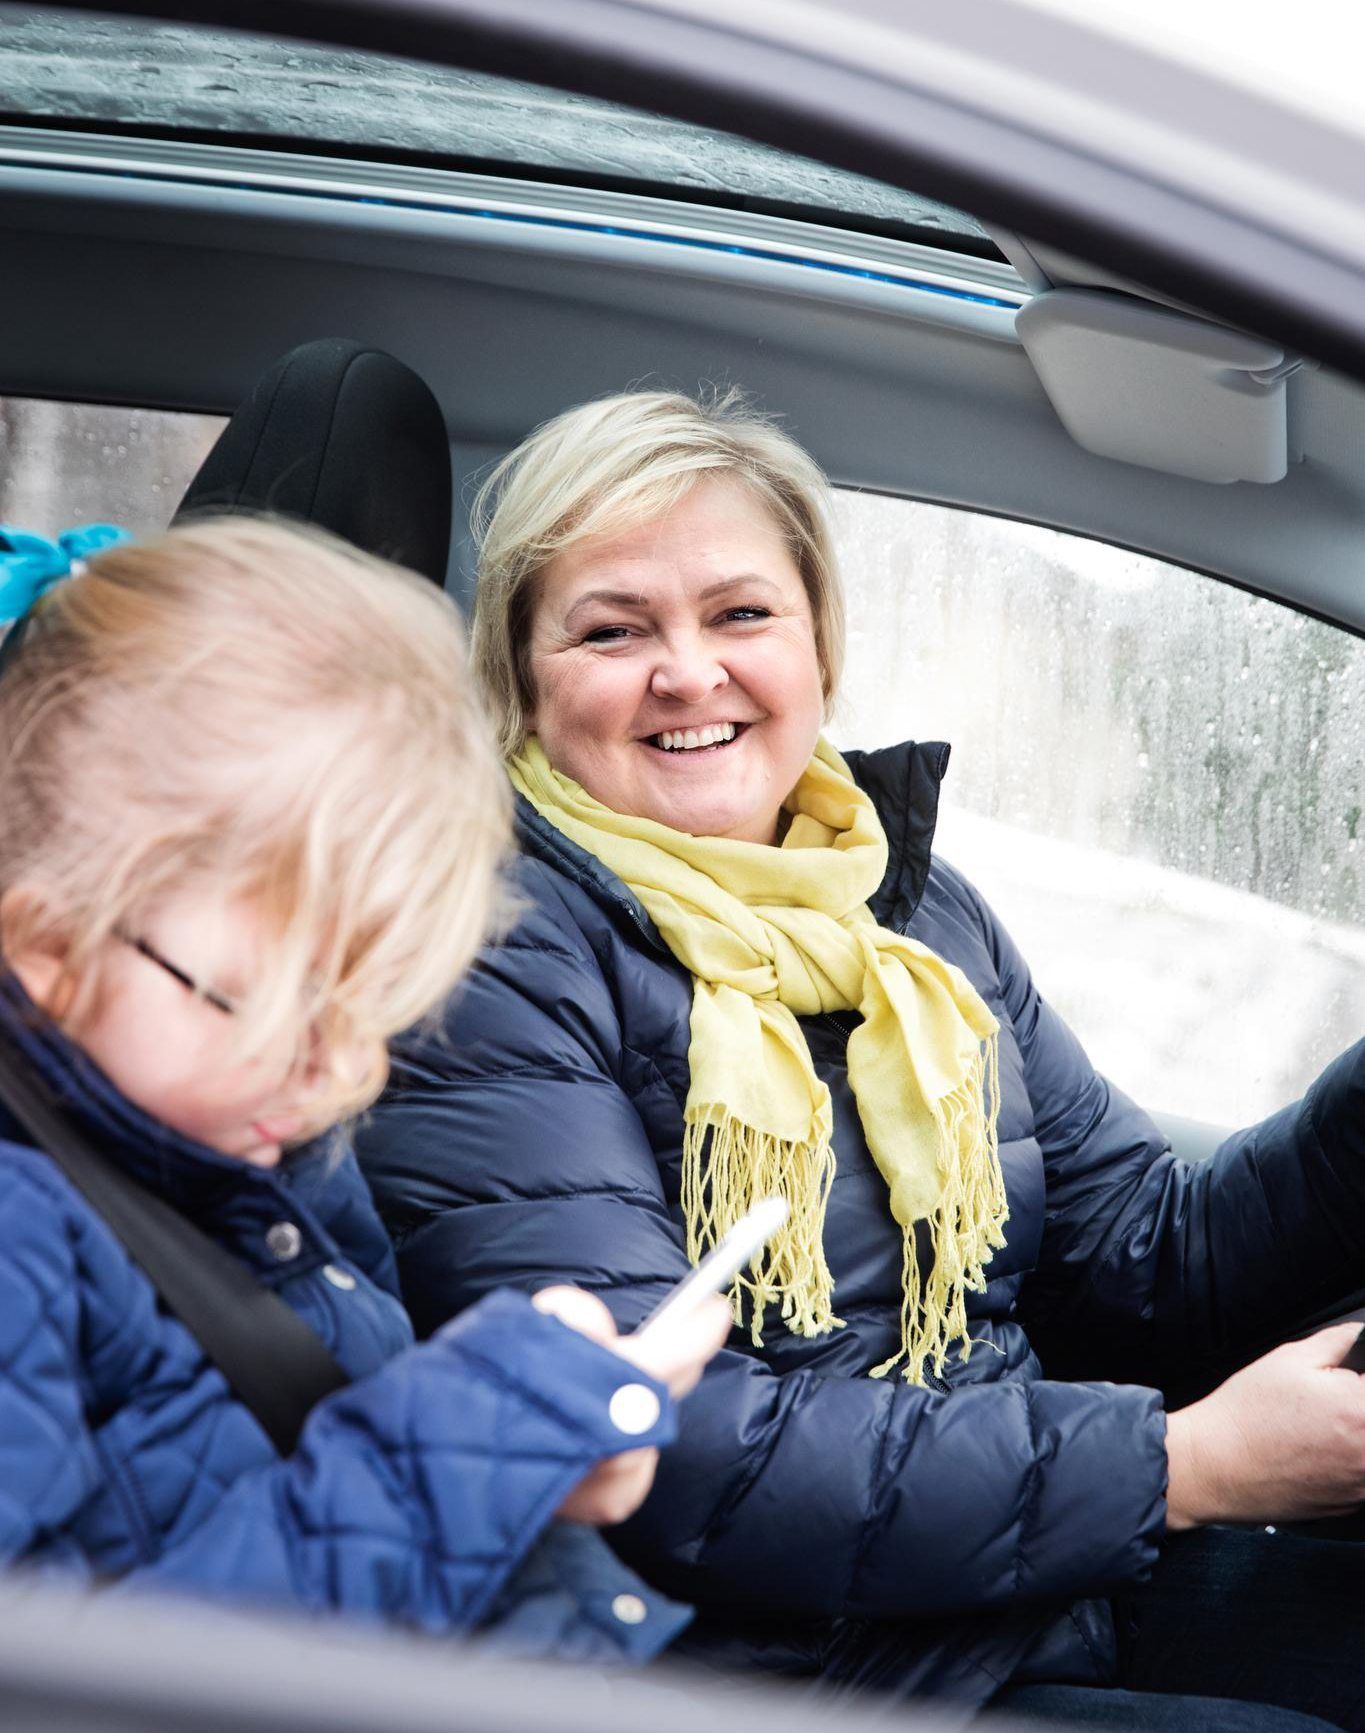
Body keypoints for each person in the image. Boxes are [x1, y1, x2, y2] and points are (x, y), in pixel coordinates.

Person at [357, 389, 1365, 1731]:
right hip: (780, 1673)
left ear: (818, 644)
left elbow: (1148, 1265)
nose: (688, 673)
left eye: (740, 613)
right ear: (521, 681)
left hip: (1023, 1589)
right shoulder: (480, 960)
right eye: (611, 630)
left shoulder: (908, 909)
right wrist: (1185, 1465)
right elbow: (676, 1451)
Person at [0, 515, 730, 1657]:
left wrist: (536, 1454)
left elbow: (318, 1463)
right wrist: (484, 1437)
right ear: (48, 947)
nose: (345, 1068)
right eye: (290, 1005)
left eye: (377, 1006)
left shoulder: (263, 1153)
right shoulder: (23, 1239)